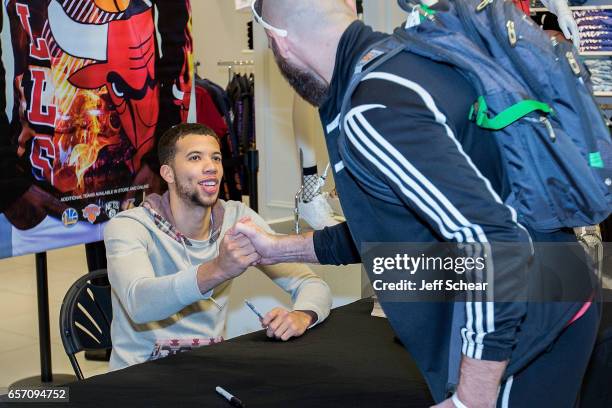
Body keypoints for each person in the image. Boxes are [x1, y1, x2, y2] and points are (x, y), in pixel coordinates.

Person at [239, 1, 600, 407]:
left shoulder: (372, 108)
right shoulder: (406, 62)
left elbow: (491, 241)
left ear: (279, 42)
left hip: (522, 321)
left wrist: (471, 396)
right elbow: (388, 224)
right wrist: (277, 248)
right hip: (554, 290)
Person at [104, 123, 332, 370]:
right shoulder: (128, 226)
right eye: (195, 158)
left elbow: (311, 283)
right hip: (138, 377)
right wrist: (218, 270)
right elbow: (139, 303)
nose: (211, 167)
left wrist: (302, 315)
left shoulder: (237, 219)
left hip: (207, 371)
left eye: (216, 158)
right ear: (168, 174)